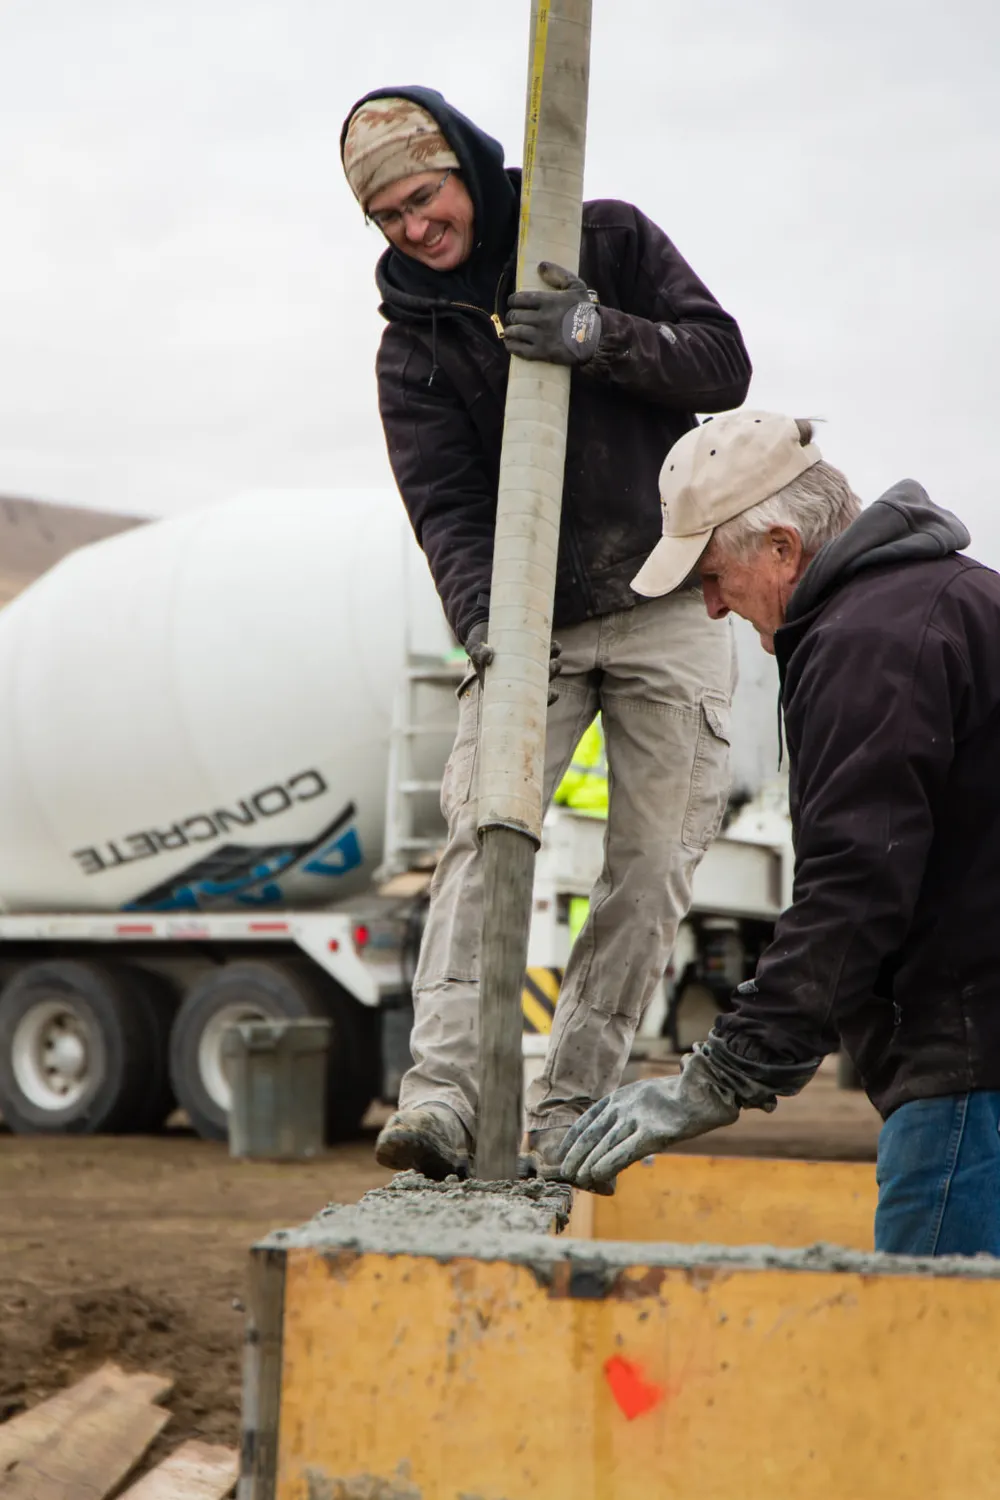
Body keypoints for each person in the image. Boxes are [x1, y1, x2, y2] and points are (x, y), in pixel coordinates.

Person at [340, 87, 752, 1181]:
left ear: (462, 170)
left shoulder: (603, 237)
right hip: (534, 626)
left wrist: (597, 335)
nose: (414, 229)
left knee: (653, 864)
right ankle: (440, 1102)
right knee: (484, 838)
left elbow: (721, 363)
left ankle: (568, 1111)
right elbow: (447, 510)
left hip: (668, 596)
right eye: (387, 217)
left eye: (423, 198)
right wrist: (491, 636)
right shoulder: (411, 349)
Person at [558, 408, 1000, 1258]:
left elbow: (856, 887)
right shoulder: (950, 599)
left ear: (783, 548)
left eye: (716, 577)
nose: (715, 606)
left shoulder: (870, 640)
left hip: (973, 1079)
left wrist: (722, 1074)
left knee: (932, 1372)